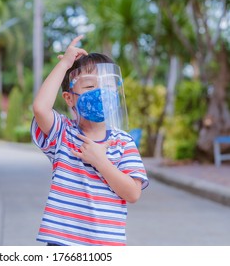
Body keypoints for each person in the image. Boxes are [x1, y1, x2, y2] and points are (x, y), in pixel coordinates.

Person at [31, 35, 149, 246]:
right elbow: (40, 108)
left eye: (107, 86)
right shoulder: (62, 133)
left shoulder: (123, 142)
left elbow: (132, 193)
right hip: (62, 243)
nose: (100, 93)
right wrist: (65, 64)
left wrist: (101, 162)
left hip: (106, 246)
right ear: (69, 98)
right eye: (89, 86)